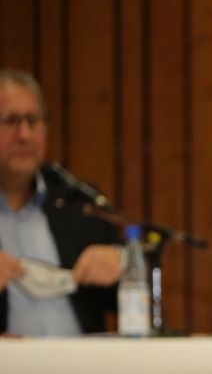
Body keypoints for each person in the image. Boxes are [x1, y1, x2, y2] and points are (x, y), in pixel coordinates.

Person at [0, 69, 123, 335]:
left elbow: (141, 308)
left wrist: (122, 264)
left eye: (33, 120)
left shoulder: (78, 203)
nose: (24, 135)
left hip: (83, 360)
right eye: (10, 121)